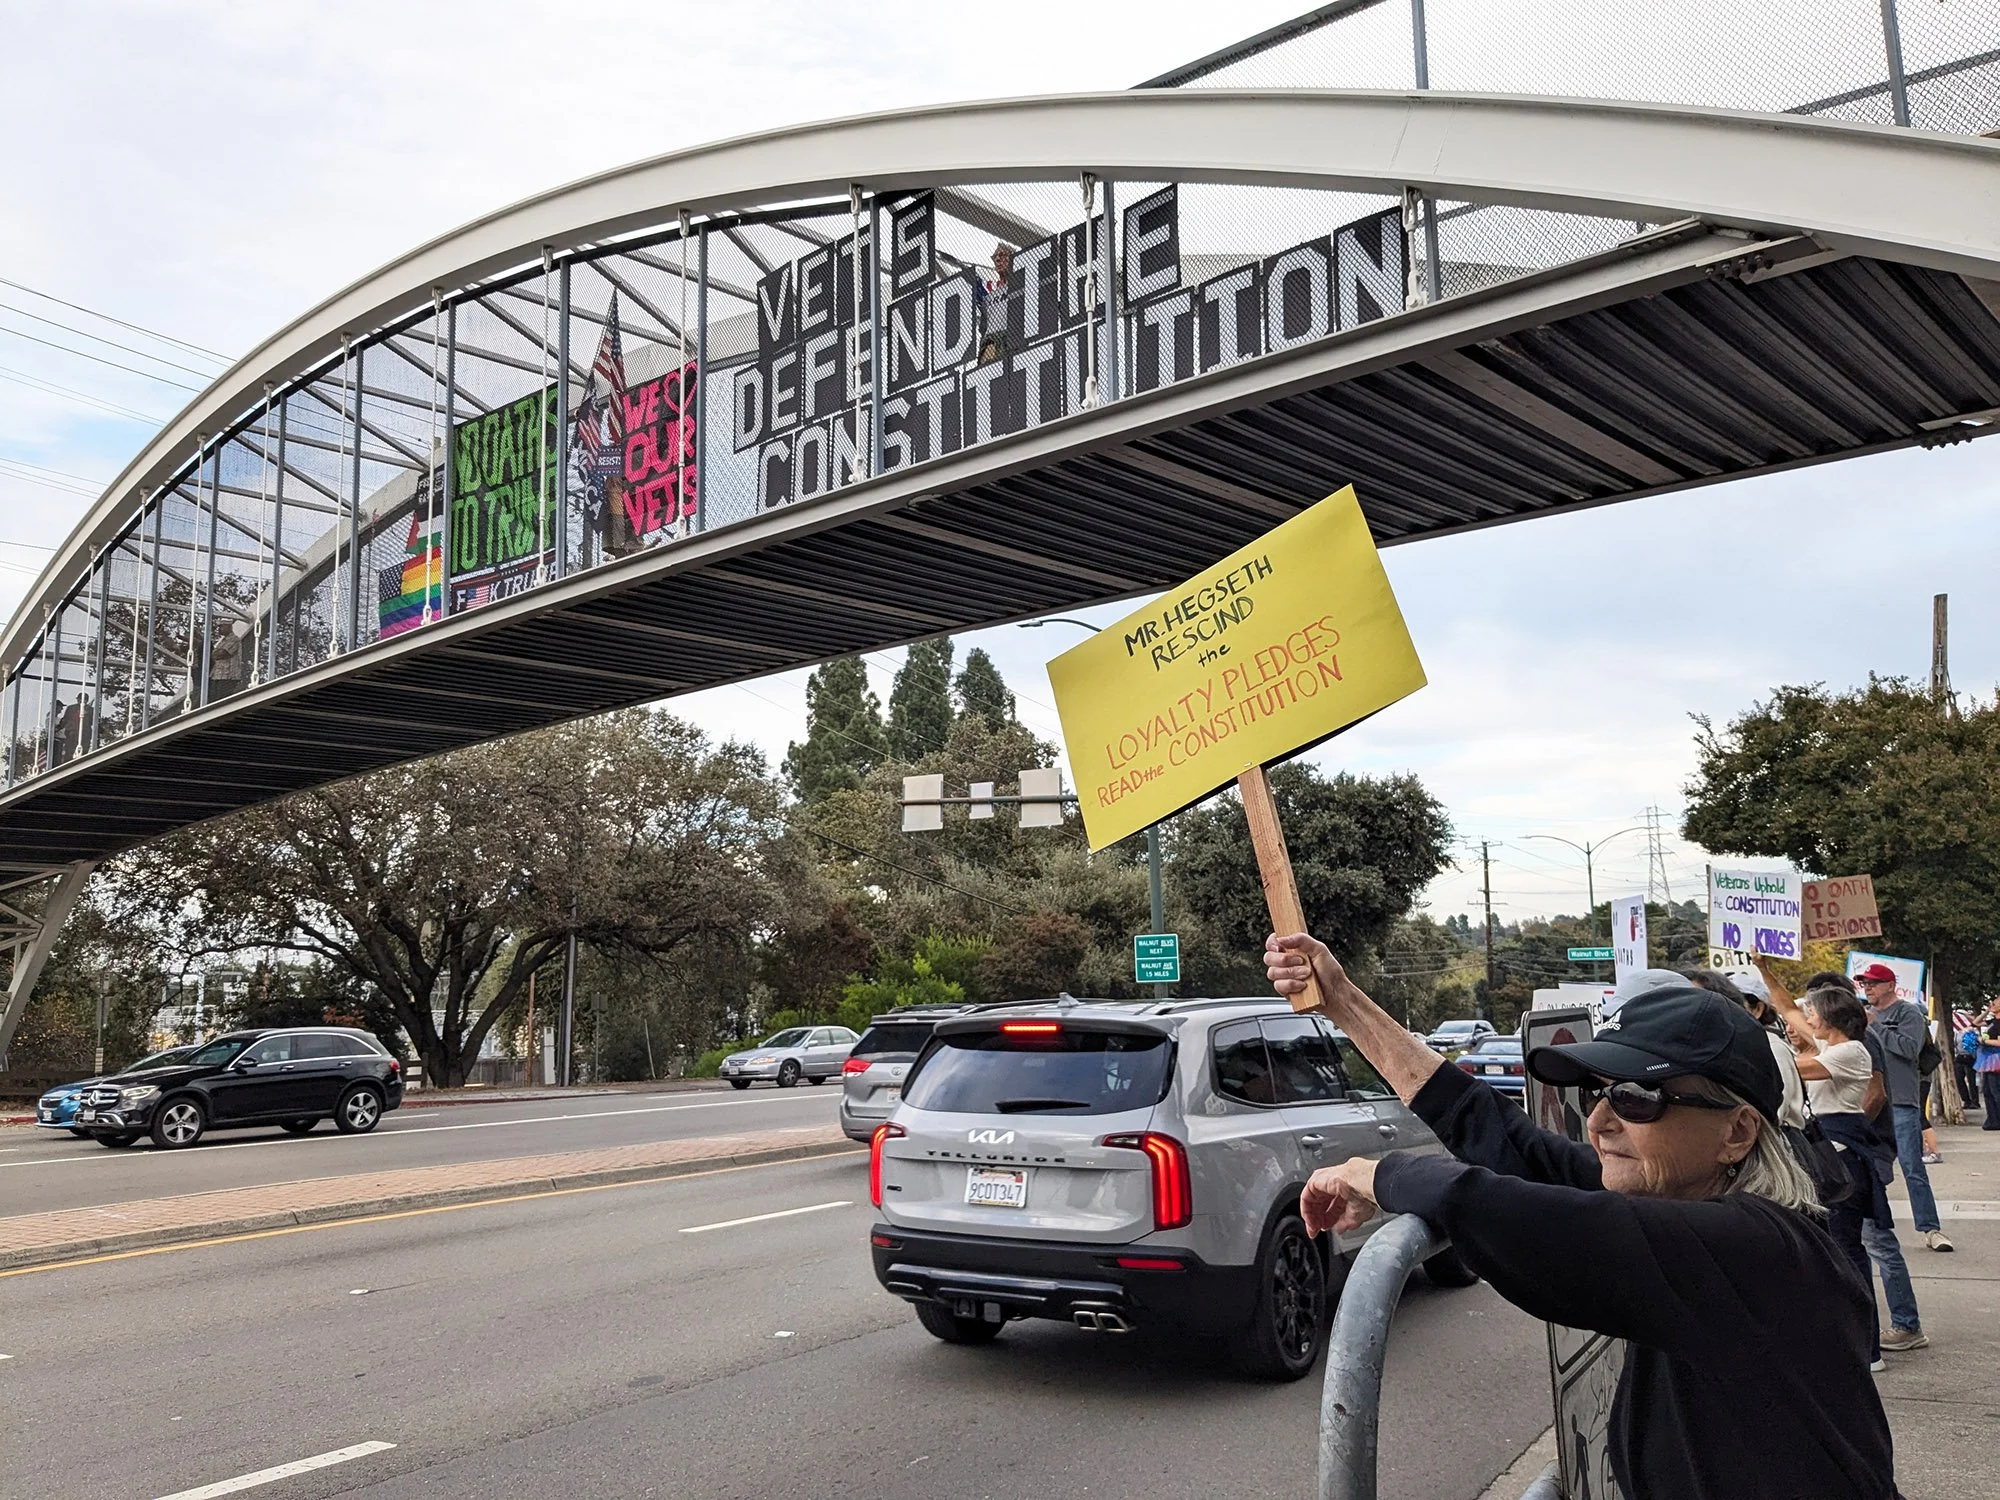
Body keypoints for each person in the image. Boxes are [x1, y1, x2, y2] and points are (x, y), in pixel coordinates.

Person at [1265, 932, 1896, 1500]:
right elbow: (1498, 1135)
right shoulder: (1680, 1191)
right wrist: (1343, 1001)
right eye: (1596, 1091)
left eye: (1638, 1097)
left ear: (1737, 1132)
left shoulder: (1759, 1249)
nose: (1598, 1120)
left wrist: (1378, 1173)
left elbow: (1529, 1222)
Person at [1765, 979, 1928, 1353]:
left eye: (1813, 1012)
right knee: (1838, 1250)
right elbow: (1788, 1009)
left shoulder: (1850, 1052)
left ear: (1830, 1018)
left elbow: (1793, 1069)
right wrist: (1764, 969)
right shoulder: (1832, 1045)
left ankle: (1867, 1348)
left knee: (1848, 1253)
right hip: (1834, 1156)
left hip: (1843, 1161)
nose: (1806, 1018)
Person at [1852, 962, 1950, 1250]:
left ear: (1890, 985)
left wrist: (1875, 1025)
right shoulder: (1861, 1014)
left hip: (1901, 1102)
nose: (1867, 988)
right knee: (1868, 1167)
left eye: (1872, 983)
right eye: (1864, 983)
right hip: (1870, 1100)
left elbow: (1909, 1049)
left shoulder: (1908, 1012)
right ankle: (1866, 1226)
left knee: (1912, 1166)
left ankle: (1931, 1228)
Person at [1686, 968, 1805, 1128]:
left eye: (1735, 1000)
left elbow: (1770, 1115)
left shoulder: (1772, 1048)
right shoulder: (1717, 1048)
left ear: (1757, 1009)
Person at [976, 243, 1014, 364]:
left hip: (1012, 336)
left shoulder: (1022, 285)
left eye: (1003, 255)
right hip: (991, 340)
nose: (997, 259)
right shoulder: (989, 292)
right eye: (995, 257)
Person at [1978, 1002, 2000, 1129]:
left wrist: (1984, 1040)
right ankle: (1992, 1120)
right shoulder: (1992, 1021)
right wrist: (1986, 1011)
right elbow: (1975, 1023)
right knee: (1987, 1090)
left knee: (1995, 1090)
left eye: (1995, 1003)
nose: (1992, 1004)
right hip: (1988, 1058)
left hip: (1996, 1059)